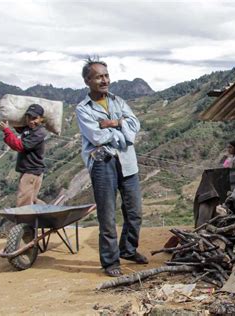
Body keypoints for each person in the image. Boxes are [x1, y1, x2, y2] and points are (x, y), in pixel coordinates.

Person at [75, 57, 147, 277]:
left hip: (127, 162)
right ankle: (110, 261)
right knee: (107, 216)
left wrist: (114, 123)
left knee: (134, 212)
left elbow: (135, 125)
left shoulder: (119, 101)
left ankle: (127, 249)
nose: (104, 80)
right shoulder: (83, 109)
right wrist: (122, 130)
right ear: (88, 81)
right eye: (99, 77)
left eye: (106, 75)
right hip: (102, 163)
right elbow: (97, 136)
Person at [0, 104, 47, 206]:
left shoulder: (39, 132)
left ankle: (25, 221)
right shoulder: (28, 129)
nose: (31, 121)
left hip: (31, 172)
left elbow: (19, 146)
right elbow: (19, 128)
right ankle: (48, 215)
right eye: (29, 117)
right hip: (31, 171)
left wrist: (7, 131)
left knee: (23, 203)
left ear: (41, 119)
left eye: (35, 118)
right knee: (32, 200)